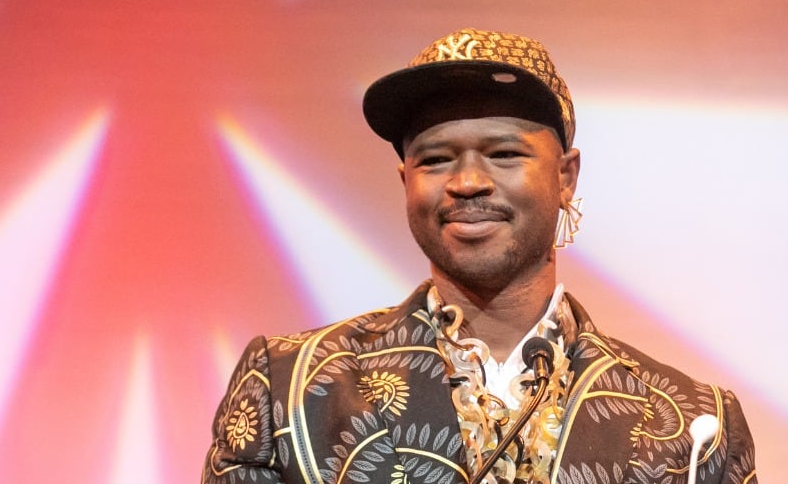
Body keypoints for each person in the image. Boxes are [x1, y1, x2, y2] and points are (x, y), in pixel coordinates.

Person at [201, 28, 758, 484]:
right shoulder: (292, 385)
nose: (467, 182)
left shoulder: (693, 425)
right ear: (405, 181)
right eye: (435, 159)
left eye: (505, 153)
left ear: (566, 177)